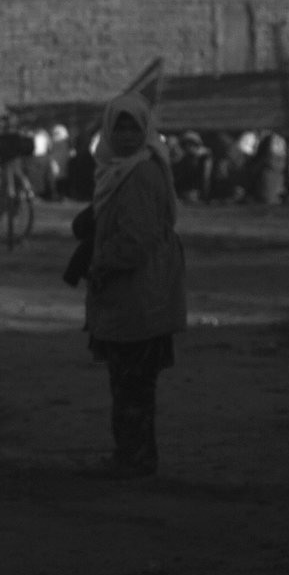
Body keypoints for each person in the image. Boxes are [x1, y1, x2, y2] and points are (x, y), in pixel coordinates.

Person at [78, 92, 187, 477]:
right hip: (137, 295)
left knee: (132, 386)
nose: (125, 134)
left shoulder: (138, 173)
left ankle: (134, 460)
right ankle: (134, 457)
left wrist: (101, 264)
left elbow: (136, 239)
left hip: (138, 295)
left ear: (145, 130)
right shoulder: (121, 168)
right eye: (119, 126)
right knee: (132, 385)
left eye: (133, 127)